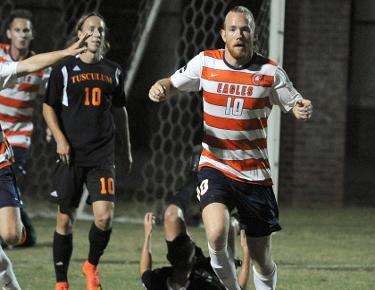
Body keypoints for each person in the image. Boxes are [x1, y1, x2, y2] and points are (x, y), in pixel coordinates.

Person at [148, 5, 313, 290]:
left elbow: (294, 103)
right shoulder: (206, 63)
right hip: (215, 165)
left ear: (253, 34)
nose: (239, 34)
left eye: (245, 29)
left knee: (262, 260)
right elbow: (171, 83)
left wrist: (301, 108)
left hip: (254, 175)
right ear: (223, 34)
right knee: (216, 235)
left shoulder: (270, 72)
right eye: (233, 29)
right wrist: (159, 87)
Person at [43, 12, 132, 290]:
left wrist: (126, 149)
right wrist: (59, 138)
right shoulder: (64, 69)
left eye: (101, 30)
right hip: (70, 154)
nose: (96, 33)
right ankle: (61, 282)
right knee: (65, 219)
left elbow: (120, 112)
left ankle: (91, 265)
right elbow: (48, 106)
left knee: (104, 217)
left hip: (102, 156)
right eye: (90, 29)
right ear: (79, 34)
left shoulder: (113, 71)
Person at [0, 31, 90, 290]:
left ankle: (18, 227)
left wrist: (63, 53)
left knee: (11, 235)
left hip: (1, 163)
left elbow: (29, 65)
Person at [0, 9, 49, 248]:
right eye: (17, 30)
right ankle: (22, 234)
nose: (22, 35)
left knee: (8, 182)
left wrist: (53, 126)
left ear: (32, 35)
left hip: (18, 138)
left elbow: (49, 101)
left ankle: (20, 233)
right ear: (9, 33)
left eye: (26, 30)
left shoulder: (40, 67)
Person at [140, 212, 250, 290]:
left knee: (172, 218)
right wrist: (247, 251)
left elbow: (145, 271)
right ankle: (238, 220)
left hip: (192, 266)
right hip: (212, 271)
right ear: (193, 260)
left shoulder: (159, 281)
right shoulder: (205, 285)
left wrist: (147, 235)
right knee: (229, 226)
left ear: (169, 258)